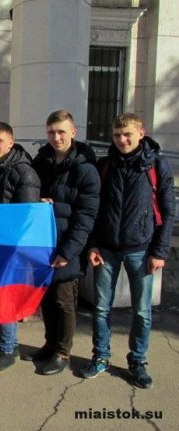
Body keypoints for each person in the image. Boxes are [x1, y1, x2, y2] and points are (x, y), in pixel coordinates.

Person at [80, 113, 174, 389]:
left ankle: (138, 361)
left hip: (142, 250)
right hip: (106, 249)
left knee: (142, 311)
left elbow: (168, 212)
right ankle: (100, 356)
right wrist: (93, 244)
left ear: (141, 133)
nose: (122, 139)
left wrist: (160, 251)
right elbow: (94, 210)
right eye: (117, 134)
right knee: (100, 308)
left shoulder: (156, 164)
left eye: (127, 134)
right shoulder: (105, 165)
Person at [27, 110, 100, 375]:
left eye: (61, 132)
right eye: (51, 132)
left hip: (68, 244)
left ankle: (63, 352)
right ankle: (49, 343)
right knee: (46, 297)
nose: (56, 137)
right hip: (44, 243)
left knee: (64, 300)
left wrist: (69, 251)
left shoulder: (85, 169)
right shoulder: (42, 161)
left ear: (73, 132)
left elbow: (86, 215)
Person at [0, 121, 41, 375]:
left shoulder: (23, 172)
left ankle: (8, 349)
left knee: (7, 298)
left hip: (11, 248)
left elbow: (27, 216)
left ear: (11, 142)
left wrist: (15, 249)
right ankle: (7, 344)